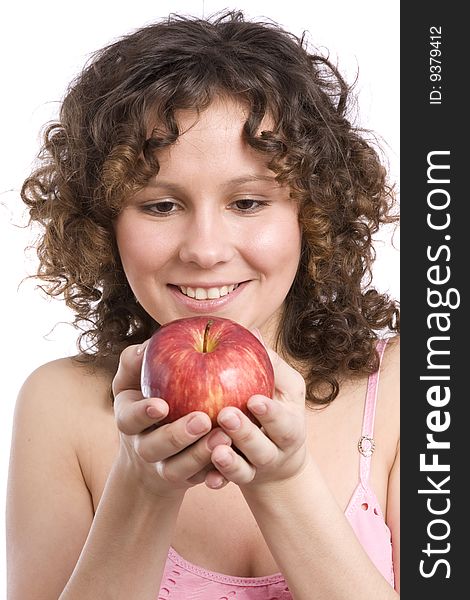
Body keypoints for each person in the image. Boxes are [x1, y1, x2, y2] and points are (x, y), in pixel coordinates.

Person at [6, 10, 400, 599]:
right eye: (161, 206)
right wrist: (141, 489)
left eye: (247, 203)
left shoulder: (407, 387)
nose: (206, 251)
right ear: (103, 222)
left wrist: (283, 482)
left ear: (312, 215)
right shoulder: (58, 407)